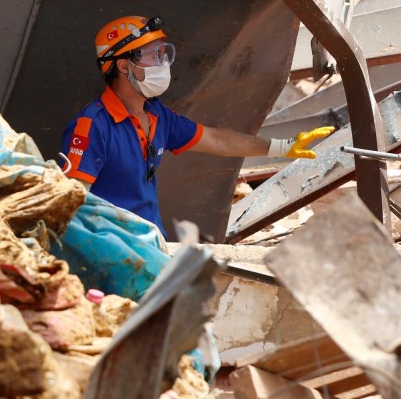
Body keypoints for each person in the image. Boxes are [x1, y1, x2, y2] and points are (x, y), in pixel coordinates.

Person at [61, 15, 333, 237]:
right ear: (123, 65)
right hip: (112, 252)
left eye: (162, 53)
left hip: (152, 244)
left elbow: (217, 140)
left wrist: (281, 147)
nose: (162, 63)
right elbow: (72, 203)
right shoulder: (92, 126)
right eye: (152, 55)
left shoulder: (157, 116)